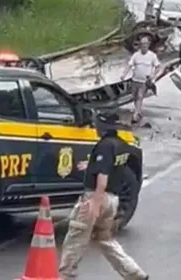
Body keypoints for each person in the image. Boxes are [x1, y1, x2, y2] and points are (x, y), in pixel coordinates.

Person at [59, 112, 149, 280]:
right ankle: (134, 273)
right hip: (113, 200)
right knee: (105, 240)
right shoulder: (121, 145)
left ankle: (65, 276)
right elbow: (111, 166)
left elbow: (103, 177)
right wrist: (91, 165)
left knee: (75, 239)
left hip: (97, 197)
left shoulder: (105, 146)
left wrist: (94, 203)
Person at [121, 37, 161, 123]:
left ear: (148, 45)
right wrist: (124, 74)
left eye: (145, 44)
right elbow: (129, 65)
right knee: (135, 97)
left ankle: (136, 114)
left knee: (140, 97)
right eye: (142, 44)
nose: (143, 46)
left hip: (144, 82)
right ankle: (138, 111)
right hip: (135, 80)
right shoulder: (136, 55)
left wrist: (153, 75)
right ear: (140, 45)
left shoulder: (152, 56)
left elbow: (158, 67)